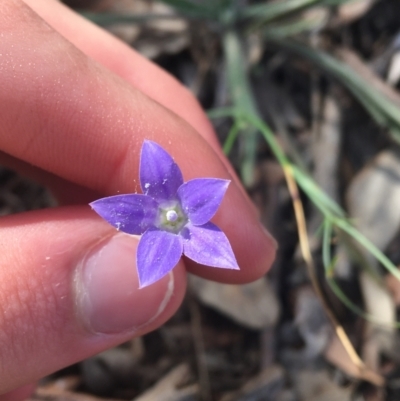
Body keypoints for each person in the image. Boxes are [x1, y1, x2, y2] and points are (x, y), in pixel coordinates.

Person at [0, 0, 277, 398]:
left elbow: (213, 197)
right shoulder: (146, 207)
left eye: (174, 216)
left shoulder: (200, 212)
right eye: (170, 216)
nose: (170, 215)